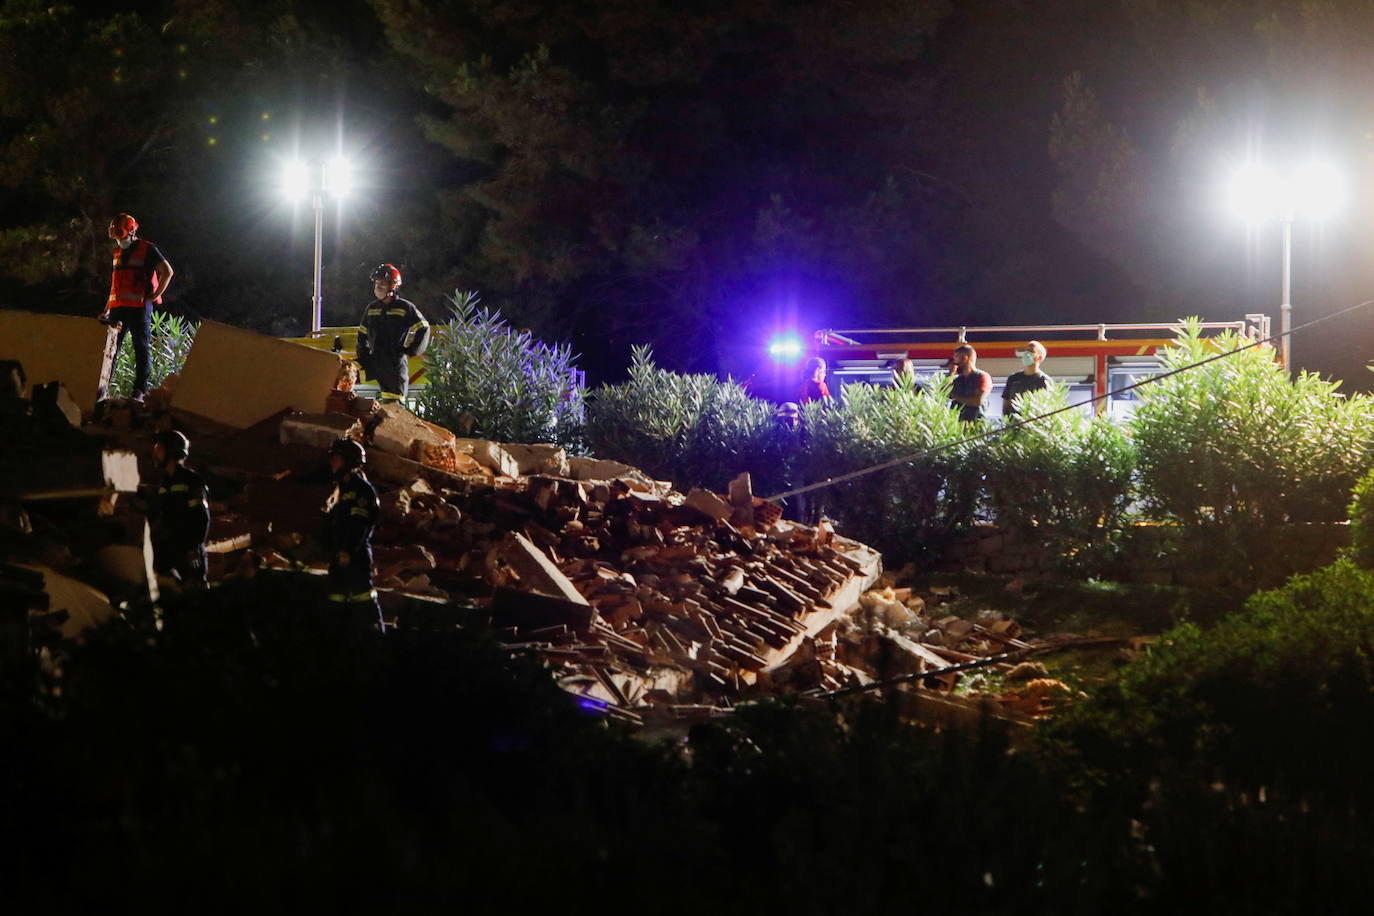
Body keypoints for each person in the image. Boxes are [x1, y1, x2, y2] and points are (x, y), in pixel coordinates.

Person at [103, 213, 174, 402]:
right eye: (115, 234)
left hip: (139, 307)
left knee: (141, 348)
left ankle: (139, 392)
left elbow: (167, 272)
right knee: (110, 350)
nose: (119, 239)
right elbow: (115, 283)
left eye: (121, 234)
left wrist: (156, 294)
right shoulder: (117, 252)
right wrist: (107, 308)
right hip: (118, 307)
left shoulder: (148, 249)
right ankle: (102, 388)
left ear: (132, 231)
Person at [324, 437, 383, 630]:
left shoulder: (361, 490)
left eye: (337, 458)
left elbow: (359, 524)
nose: (333, 462)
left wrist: (347, 551)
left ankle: (376, 642)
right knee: (335, 604)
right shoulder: (341, 490)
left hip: (354, 557)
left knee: (364, 603)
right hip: (339, 557)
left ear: (349, 461)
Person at [355, 263, 430, 404]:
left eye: (382, 283)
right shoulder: (372, 308)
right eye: (377, 282)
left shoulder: (405, 307)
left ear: (393, 285)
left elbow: (423, 327)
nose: (378, 286)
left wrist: (412, 349)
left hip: (395, 364)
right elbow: (362, 335)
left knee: (395, 404)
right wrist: (363, 358)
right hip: (376, 362)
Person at [150, 430, 209, 587]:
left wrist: (192, 549)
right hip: (169, 550)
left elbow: (202, 517)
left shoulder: (192, 480)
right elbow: (163, 514)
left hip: (189, 552)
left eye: (159, 448)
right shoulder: (164, 483)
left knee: (194, 590)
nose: (155, 453)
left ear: (170, 450)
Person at [1001, 340, 1052, 418]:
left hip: (1032, 426)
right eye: (1026, 350)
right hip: (1013, 425)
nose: (1027, 353)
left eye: (1031, 351)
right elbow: (1006, 404)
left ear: (1040, 357)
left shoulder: (1044, 381)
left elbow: (1046, 408)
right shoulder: (1013, 378)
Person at [947, 344, 991, 422]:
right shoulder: (957, 380)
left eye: (956, 357)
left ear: (965, 358)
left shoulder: (982, 377)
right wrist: (950, 374)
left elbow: (978, 401)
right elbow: (943, 394)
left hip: (975, 423)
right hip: (957, 424)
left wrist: (955, 397)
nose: (954, 361)